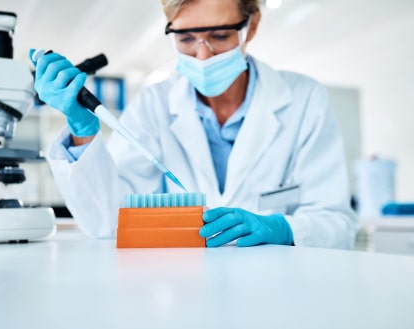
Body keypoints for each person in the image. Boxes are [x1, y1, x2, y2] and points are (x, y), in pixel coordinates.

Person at [31, 0, 358, 248]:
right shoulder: (152, 105)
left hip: (277, 292)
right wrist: (81, 129)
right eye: (186, 39)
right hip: (184, 292)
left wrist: (284, 229)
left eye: (219, 35)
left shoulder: (303, 99)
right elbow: (107, 221)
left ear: (251, 25)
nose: (203, 56)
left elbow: (337, 223)